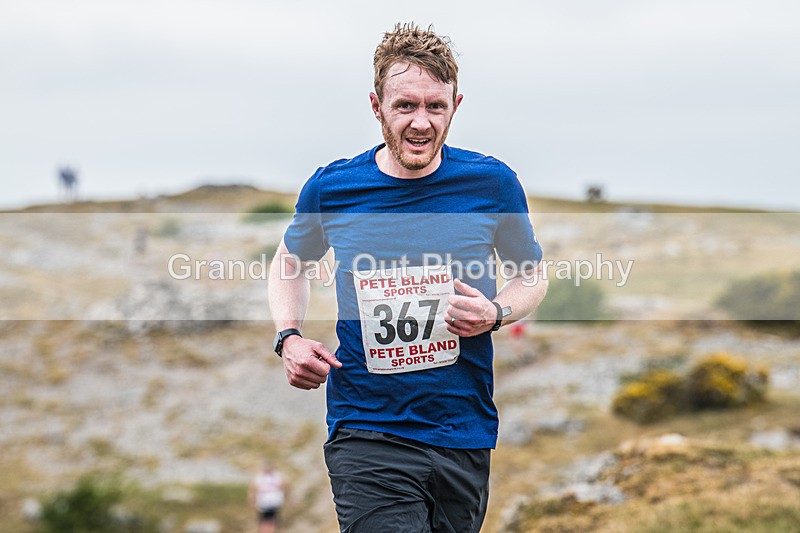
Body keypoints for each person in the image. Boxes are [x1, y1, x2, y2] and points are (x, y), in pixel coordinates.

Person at [268, 22, 547, 532]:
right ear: (377, 106)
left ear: (455, 106)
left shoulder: (491, 183)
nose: (421, 123)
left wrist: (496, 312)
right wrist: (289, 337)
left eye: (435, 107)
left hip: (463, 430)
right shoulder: (335, 187)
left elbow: (532, 275)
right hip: (367, 429)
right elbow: (289, 262)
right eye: (405, 106)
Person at [248, 461, 285, 533]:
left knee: (272, 520)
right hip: (263, 502)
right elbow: (254, 487)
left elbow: (282, 486)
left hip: (274, 501)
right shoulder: (260, 476)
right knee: (263, 520)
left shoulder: (277, 475)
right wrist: (252, 497)